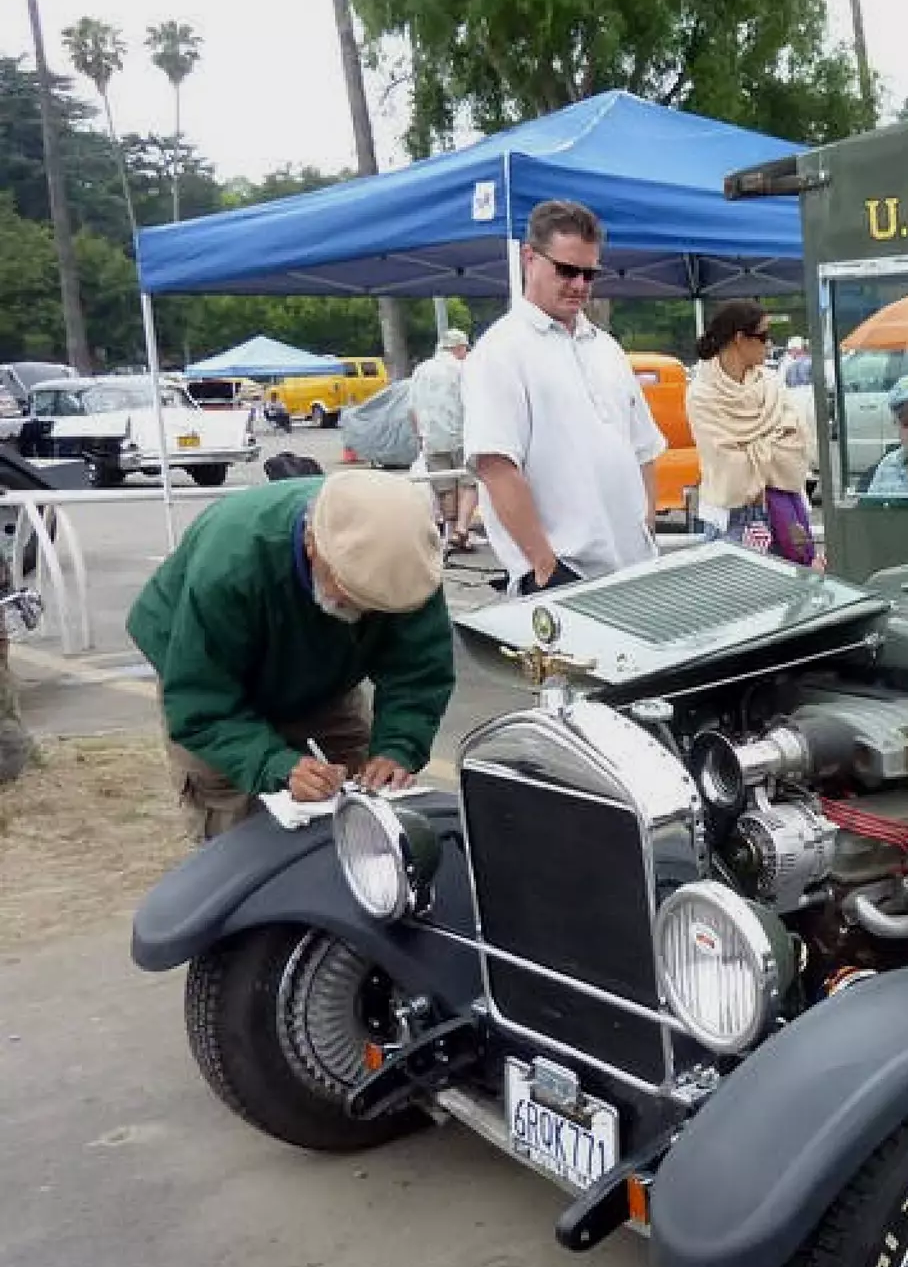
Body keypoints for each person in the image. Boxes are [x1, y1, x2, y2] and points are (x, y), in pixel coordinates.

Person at [125, 468, 455, 842]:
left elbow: (419, 673)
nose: (361, 612)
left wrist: (398, 748)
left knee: (361, 805)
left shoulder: (406, 568)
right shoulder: (231, 564)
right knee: (236, 825)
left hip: (323, 677)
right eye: (350, 594)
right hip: (204, 668)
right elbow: (201, 705)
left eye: (376, 606)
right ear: (313, 544)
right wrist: (277, 766)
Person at [462, 199, 666, 595]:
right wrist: (544, 565)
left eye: (589, 274)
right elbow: (496, 465)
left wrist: (648, 528)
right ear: (529, 258)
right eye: (567, 270)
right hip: (564, 576)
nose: (579, 285)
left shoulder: (606, 347)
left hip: (634, 568)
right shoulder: (500, 352)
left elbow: (643, 448)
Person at [685, 298, 814, 550]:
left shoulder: (772, 383)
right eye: (764, 335)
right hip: (728, 519)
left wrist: (749, 451)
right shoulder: (702, 394)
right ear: (739, 339)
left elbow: (796, 449)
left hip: (785, 509)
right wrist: (771, 446)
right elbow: (729, 471)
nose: (770, 343)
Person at [410, 326, 478, 550]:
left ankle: (450, 534)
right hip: (461, 434)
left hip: (431, 438)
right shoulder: (462, 368)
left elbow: (412, 408)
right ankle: (461, 530)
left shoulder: (420, 370)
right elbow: (473, 402)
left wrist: (420, 436)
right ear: (459, 348)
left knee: (445, 486)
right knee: (469, 482)